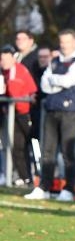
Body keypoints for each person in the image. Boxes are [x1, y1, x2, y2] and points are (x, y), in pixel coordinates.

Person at [25, 29, 75, 201]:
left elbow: (68, 81)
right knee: (48, 150)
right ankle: (44, 186)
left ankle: (69, 189)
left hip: (70, 112)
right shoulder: (55, 61)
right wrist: (57, 81)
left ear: (74, 42)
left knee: (68, 152)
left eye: (67, 42)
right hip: (52, 109)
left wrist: (55, 80)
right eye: (62, 42)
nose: (64, 46)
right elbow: (45, 84)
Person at [0, 44, 37, 186]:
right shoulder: (3, 72)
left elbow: (24, 92)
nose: (3, 62)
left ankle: (32, 176)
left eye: (6, 58)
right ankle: (21, 177)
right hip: (7, 114)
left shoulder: (19, 71)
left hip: (22, 114)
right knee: (13, 146)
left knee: (26, 144)